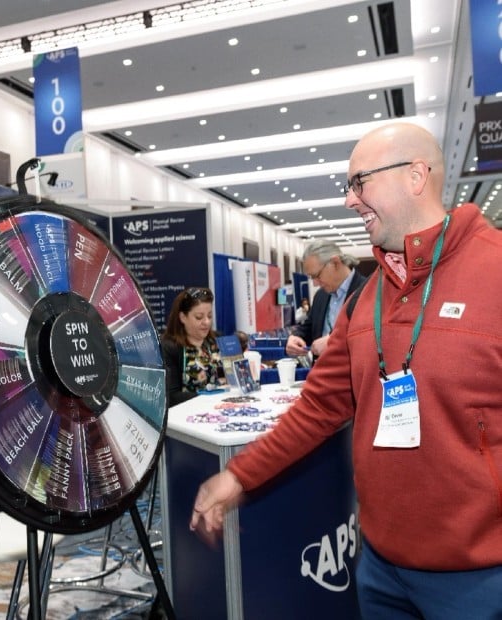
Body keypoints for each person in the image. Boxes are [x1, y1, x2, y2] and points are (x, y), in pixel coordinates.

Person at [190, 122, 502, 618]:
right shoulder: (369, 299)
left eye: (360, 182)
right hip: (380, 571)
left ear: (415, 176)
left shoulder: (494, 271)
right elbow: (319, 406)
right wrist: (238, 475)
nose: (349, 200)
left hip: (481, 580)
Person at [285, 240, 367, 358]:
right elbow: (310, 326)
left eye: (317, 276)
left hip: (352, 372)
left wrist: (333, 341)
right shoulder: (321, 295)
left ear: (336, 263)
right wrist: (296, 337)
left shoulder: (367, 290)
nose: (314, 283)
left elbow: (369, 334)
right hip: (321, 371)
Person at [160, 287, 226, 407]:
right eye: (199, 317)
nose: (206, 322)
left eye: (210, 316)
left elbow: (236, 379)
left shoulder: (218, 340)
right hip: (186, 416)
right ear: (183, 317)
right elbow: (171, 397)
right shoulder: (169, 348)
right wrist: (210, 396)